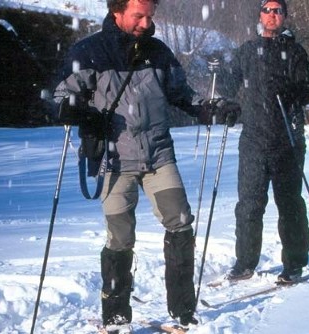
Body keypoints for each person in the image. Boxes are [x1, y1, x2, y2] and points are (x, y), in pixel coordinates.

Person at [52, 0, 225, 330]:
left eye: (150, 16)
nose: (146, 23)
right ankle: (116, 314)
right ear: (117, 12)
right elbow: (61, 95)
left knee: (180, 222)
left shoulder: (158, 52)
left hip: (159, 155)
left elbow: (182, 95)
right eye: (139, 15)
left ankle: (183, 308)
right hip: (114, 159)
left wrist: (210, 109)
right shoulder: (90, 51)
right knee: (120, 237)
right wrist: (70, 107)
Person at [217, 0, 309, 284]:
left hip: (287, 138)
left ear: (284, 16)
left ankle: (294, 262)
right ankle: (246, 261)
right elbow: (227, 85)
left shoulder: (295, 51)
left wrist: (292, 91)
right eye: (268, 10)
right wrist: (222, 92)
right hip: (253, 139)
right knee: (249, 204)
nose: (272, 15)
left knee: (289, 204)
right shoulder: (247, 51)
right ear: (260, 16)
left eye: (278, 11)